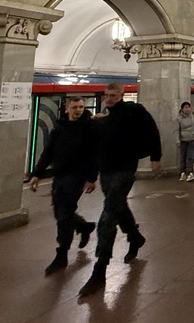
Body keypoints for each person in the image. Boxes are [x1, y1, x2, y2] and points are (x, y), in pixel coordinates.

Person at [79, 83, 162, 298]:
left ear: (122, 95)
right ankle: (135, 236)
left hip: (125, 169)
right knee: (118, 206)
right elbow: (94, 148)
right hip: (106, 171)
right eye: (107, 95)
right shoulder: (102, 120)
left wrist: (156, 157)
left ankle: (100, 269)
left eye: (114, 95)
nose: (109, 98)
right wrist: (91, 176)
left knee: (108, 216)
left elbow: (152, 130)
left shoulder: (134, 111)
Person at [27, 97, 98, 276]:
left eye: (81, 107)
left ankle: (62, 253)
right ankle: (83, 226)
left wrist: (91, 178)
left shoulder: (89, 128)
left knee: (64, 213)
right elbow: (48, 152)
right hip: (60, 174)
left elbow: (93, 155)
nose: (78, 110)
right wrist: (37, 173)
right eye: (75, 107)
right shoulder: (59, 128)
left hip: (78, 176)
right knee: (59, 212)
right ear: (67, 108)